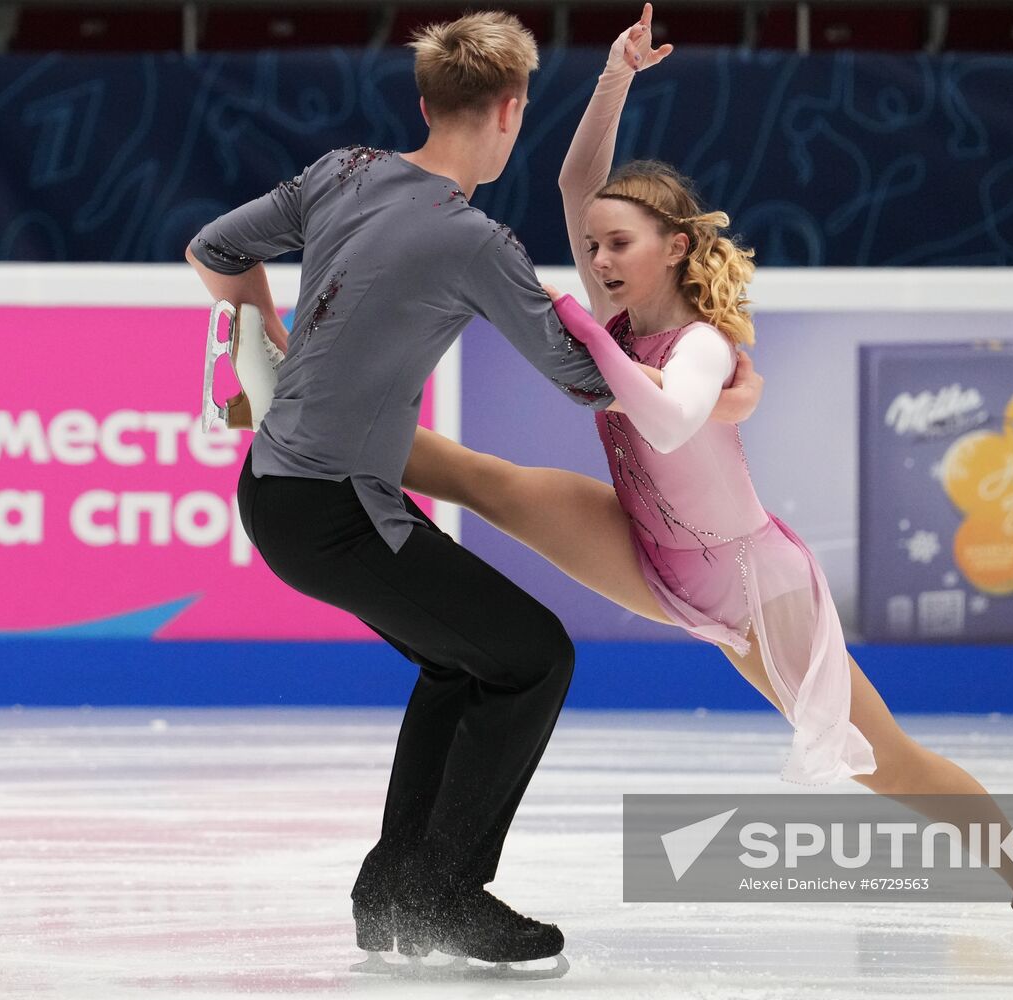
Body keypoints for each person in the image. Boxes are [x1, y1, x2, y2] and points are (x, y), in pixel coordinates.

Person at [401, 4, 1013, 980]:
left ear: (670, 246)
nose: (599, 258)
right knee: (482, 479)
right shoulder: (619, 301)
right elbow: (579, 179)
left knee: (891, 765)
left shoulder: (703, 342)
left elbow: (668, 420)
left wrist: (583, 332)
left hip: (756, 587)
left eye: (618, 243)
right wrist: (617, 75)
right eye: (593, 246)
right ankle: (290, 414)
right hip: (649, 549)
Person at [185, 9, 761, 973]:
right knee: (532, 657)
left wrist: (263, 343)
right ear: (511, 110)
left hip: (279, 490)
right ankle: (445, 890)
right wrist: (703, 367)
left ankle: (396, 890)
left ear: (425, 103)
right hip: (333, 508)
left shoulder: (343, 169)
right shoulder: (474, 241)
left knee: (467, 663)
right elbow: (588, 383)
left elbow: (214, 250)